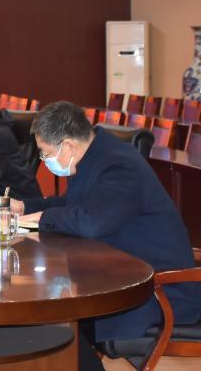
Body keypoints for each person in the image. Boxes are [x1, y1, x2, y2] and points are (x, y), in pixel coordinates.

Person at [12, 102, 201, 371]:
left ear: (68, 146)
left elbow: (90, 222)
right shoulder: (94, 156)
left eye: (45, 153)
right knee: (48, 316)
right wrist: (26, 207)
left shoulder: (119, 165)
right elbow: (73, 204)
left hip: (155, 290)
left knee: (53, 321)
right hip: (118, 275)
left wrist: (42, 218)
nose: (44, 160)